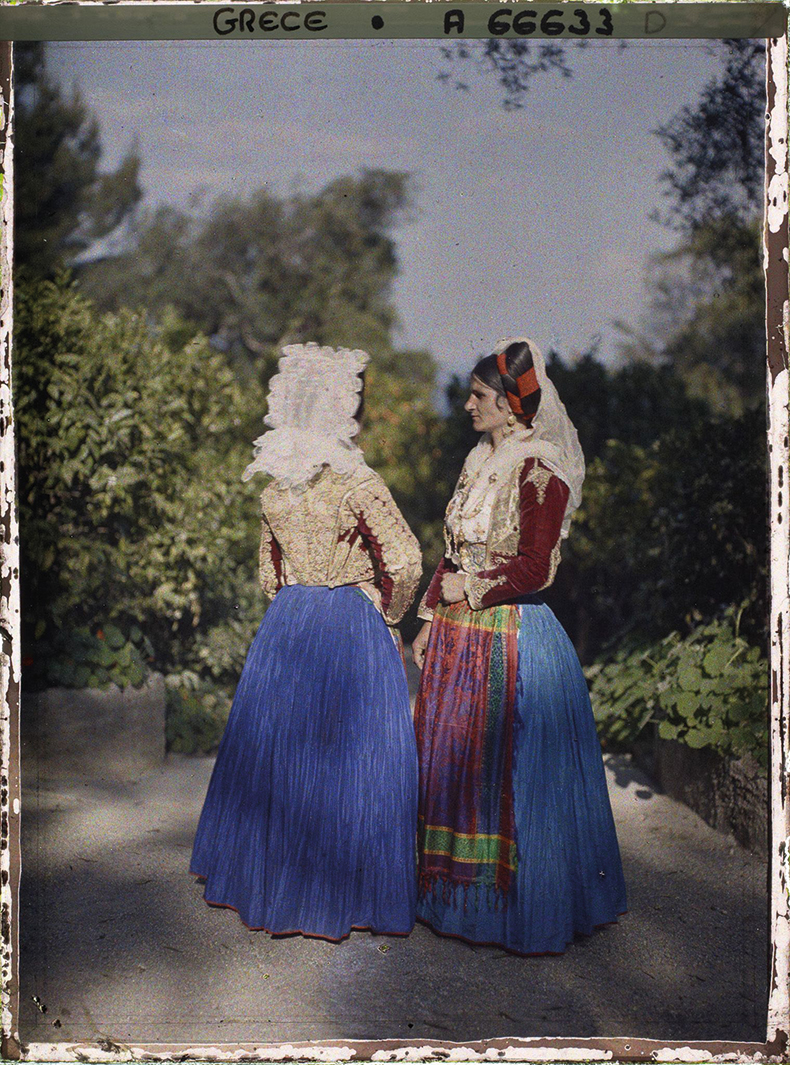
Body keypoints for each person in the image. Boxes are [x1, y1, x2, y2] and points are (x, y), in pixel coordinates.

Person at [191, 341, 422, 941]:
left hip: (289, 623)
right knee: (352, 757)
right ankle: (344, 891)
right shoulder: (356, 481)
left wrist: (295, 604)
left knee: (287, 754)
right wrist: (385, 610)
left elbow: (269, 574)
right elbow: (405, 559)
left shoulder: (276, 487)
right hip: (348, 619)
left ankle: (274, 884)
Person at [411, 336, 626, 956]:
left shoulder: (541, 467)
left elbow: (537, 569)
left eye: (478, 396)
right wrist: (429, 618)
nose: (468, 406)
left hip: (513, 637)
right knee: (454, 762)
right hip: (458, 634)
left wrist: (466, 588)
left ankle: (517, 911)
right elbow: (451, 548)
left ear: (509, 404)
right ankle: (449, 902)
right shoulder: (478, 460)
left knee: (508, 775)